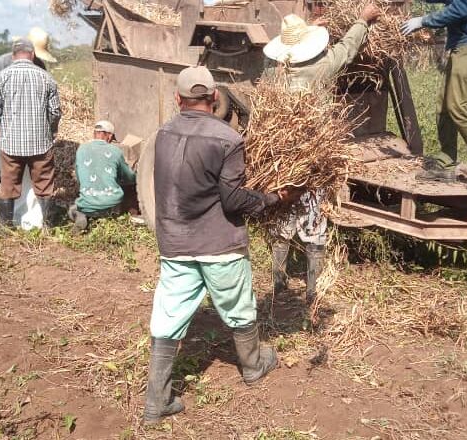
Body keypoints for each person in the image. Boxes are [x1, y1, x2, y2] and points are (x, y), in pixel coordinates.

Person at [143, 66, 298, 425]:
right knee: (239, 308)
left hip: (175, 242)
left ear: (178, 99)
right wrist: (273, 198)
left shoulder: (162, 134)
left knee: (168, 314)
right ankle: (253, 366)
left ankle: (156, 400)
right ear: (215, 98)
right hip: (218, 243)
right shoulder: (228, 138)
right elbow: (231, 200)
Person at [261, 8, 380, 304]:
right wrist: (363, 20)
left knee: (282, 216)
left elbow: (290, 54)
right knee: (314, 216)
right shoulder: (321, 68)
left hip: (282, 158)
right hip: (315, 158)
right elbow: (347, 49)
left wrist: (308, 29)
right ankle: (312, 292)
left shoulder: (272, 71)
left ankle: (279, 285)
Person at [401, 0, 467, 190]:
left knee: (458, 105)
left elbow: (462, 8)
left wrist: (423, 21)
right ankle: (446, 163)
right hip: (463, 46)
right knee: (444, 106)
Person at [0, 27, 58, 227]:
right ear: (31, 53)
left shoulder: (34, 69)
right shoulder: (3, 63)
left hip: (12, 138)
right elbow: (55, 111)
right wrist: (50, 129)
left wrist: (2, 123)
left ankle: (9, 226)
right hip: (29, 137)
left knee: (9, 183)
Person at [68, 120, 136, 231]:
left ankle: (82, 216)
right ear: (109, 137)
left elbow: (79, 178)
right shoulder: (115, 151)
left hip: (87, 206)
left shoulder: (81, 149)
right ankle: (115, 214)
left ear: (94, 134)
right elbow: (129, 177)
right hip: (112, 206)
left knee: (72, 209)